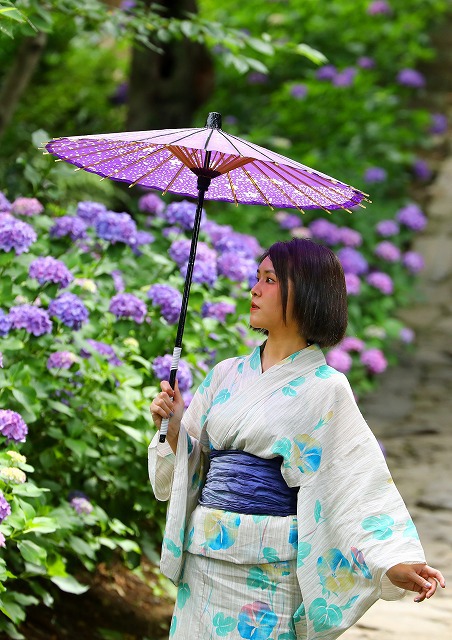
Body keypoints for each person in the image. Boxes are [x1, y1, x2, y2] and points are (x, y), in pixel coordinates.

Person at [148, 238, 445, 640]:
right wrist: (176, 424)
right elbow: (188, 470)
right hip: (204, 562)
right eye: (257, 278)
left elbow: (353, 484)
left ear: (306, 294)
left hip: (268, 573)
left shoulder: (326, 388)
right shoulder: (225, 375)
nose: (255, 289)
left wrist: (390, 561)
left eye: (269, 280)